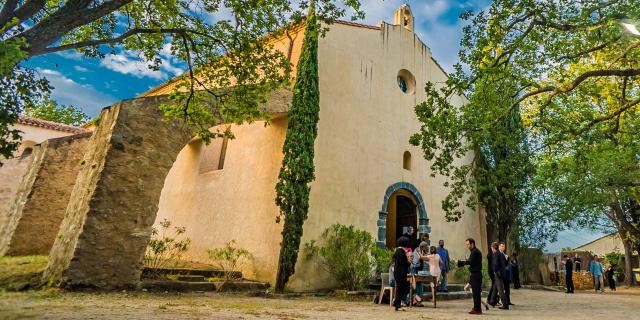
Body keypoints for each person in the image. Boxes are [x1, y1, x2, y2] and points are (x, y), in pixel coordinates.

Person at [457, 238, 483, 315]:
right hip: (475, 274)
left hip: (476, 275)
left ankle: (477, 309)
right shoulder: (474, 252)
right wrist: (466, 261)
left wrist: (461, 262)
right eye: (466, 244)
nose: (467, 246)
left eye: (468, 244)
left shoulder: (475, 251)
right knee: (475, 293)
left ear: (472, 244)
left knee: (476, 293)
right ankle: (477, 308)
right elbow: (472, 262)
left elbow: (471, 262)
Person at [393, 236, 412, 310]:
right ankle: (397, 303)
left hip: (398, 272)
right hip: (400, 272)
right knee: (401, 287)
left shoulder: (398, 250)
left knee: (400, 288)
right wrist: (409, 262)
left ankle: (397, 303)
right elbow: (403, 262)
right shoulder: (400, 251)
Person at [489, 242, 509, 310]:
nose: (491, 249)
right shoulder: (501, 254)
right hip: (502, 274)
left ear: (493, 247)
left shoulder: (495, 254)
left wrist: (495, 271)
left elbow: (495, 264)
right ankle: (492, 301)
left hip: (498, 274)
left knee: (500, 290)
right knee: (495, 287)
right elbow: (506, 264)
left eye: (491, 248)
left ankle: (505, 305)